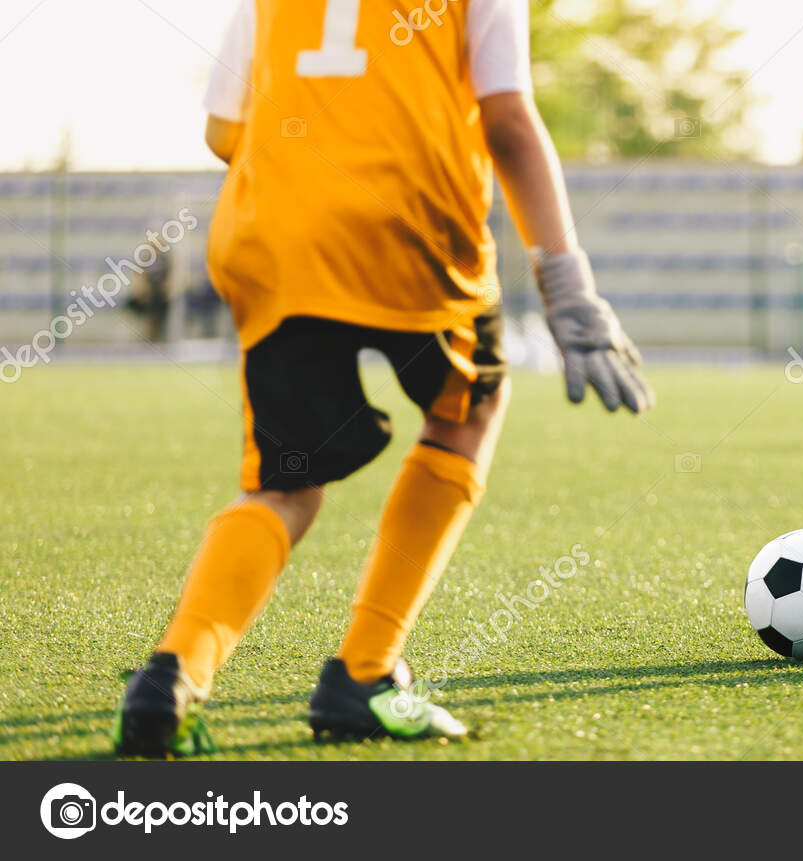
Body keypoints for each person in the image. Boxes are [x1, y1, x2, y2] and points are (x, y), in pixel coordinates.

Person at [114, 0, 653, 757]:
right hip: (414, 224)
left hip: (275, 234)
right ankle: (364, 672)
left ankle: (171, 675)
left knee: (283, 480)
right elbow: (507, 119)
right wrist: (568, 285)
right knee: (470, 406)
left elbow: (222, 129)